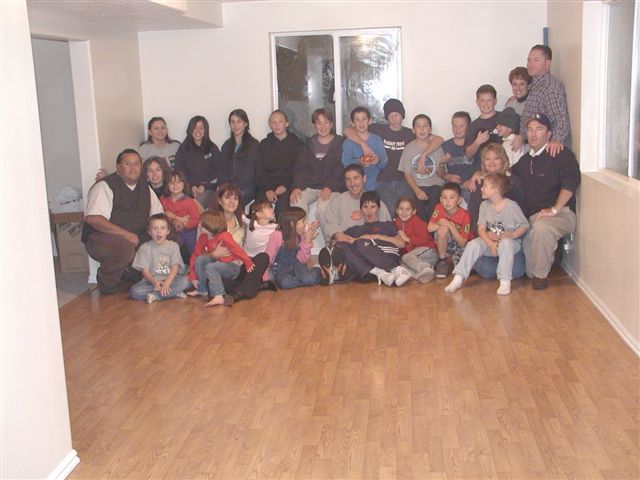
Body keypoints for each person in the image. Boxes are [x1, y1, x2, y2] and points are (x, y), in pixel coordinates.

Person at [510, 113, 580, 290]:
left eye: (539, 129)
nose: (533, 134)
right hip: (534, 217)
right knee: (529, 271)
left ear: (549, 134)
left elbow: (571, 182)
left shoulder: (560, 153)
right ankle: (545, 264)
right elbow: (506, 174)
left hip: (562, 213)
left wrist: (555, 209)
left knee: (542, 228)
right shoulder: (525, 161)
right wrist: (479, 174)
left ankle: (541, 278)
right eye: (530, 129)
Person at [82, 149, 164, 294]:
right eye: (127, 164)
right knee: (124, 247)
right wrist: (126, 235)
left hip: (137, 234)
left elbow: (158, 215)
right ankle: (106, 282)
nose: (133, 168)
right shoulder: (105, 186)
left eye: (137, 164)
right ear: (118, 167)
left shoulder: (145, 187)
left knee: (167, 234)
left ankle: (133, 276)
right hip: (101, 237)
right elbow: (94, 219)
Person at [343, 98, 443, 214]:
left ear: (402, 116)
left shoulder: (410, 133)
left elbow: (439, 139)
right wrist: (363, 144)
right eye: (391, 115)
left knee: (407, 210)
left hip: (404, 180)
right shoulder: (378, 129)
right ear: (386, 117)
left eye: (397, 114)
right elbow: (347, 131)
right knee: (389, 210)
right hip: (382, 180)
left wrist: (425, 154)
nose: (394, 117)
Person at [444, 173, 529, 296]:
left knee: (505, 243)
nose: (481, 189)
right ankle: (458, 278)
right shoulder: (484, 205)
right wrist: (490, 243)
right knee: (473, 244)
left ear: (495, 189)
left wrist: (513, 235)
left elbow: (524, 225)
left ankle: (505, 281)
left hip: (510, 243)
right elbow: (481, 229)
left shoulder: (511, 206)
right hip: (492, 242)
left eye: (485, 186)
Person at [318, 191, 411, 287]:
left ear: (378, 208)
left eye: (373, 207)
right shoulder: (354, 230)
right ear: (361, 210)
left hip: (387, 255)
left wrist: (374, 237)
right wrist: (338, 238)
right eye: (365, 207)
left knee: (360, 243)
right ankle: (379, 273)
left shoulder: (387, 225)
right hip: (367, 266)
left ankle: (395, 269)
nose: (369, 211)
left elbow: (401, 243)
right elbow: (336, 242)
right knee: (341, 245)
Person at [466, 143, 527, 280]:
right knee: (487, 271)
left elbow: (522, 214)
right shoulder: (479, 183)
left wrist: (509, 234)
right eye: (488, 159)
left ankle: (504, 268)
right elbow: (474, 215)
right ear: (483, 162)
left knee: (517, 272)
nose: (491, 162)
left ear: (503, 161)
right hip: (488, 240)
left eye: (496, 158)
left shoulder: (514, 182)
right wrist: (486, 234)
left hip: (510, 239)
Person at [208, 183, 273, 302]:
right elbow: (199, 253)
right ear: (219, 201)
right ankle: (253, 286)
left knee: (263, 257)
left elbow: (261, 226)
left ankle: (239, 293)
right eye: (227, 197)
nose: (232, 201)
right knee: (217, 282)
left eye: (235, 198)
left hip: (238, 268)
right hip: (218, 269)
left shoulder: (243, 223)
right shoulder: (209, 222)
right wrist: (213, 254)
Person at [290, 108, 345, 228]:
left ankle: (330, 239)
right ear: (314, 125)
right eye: (319, 123)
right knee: (296, 201)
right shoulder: (308, 144)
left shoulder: (340, 143)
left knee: (323, 208)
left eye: (326, 122)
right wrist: (297, 186)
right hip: (311, 187)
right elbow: (300, 168)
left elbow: (341, 170)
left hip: (332, 188)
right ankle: (303, 236)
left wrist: (330, 187)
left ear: (331, 124)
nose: (323, 126)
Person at [187, 210, 254, 307]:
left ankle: (219, 295)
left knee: (211, 267)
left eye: (202, 224)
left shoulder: (224, 236)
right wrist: (193, 276)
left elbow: (237, 249)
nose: (199, 225)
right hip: (218, 263)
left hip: (232, 266)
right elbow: (195, 255)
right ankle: (202, 289)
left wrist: (248, 262)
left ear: (210, 225)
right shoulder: (203, 237)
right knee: (200, 259)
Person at [514, 45, 572, 156]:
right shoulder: (536, 85)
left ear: (547, 63)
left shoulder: (550, 87)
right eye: (529, 60)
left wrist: (556, 141)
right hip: (532, 147)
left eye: (536, 60)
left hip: (545, 151)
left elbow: (560, 120)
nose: (531, 64)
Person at [322, 164, 392, 244]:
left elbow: (388, 230)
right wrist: (342, 237)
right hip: (345, 245)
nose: (352, 183)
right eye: (348, 179)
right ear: (345, 182)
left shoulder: (377, 203)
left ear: (364, 178)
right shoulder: (337, 202)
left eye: (356, 178)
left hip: (371, 246)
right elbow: (329, 229)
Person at [129, 214, 191, 303]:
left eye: (162, 228)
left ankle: (156, 296)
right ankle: (173, 292)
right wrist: (155, 282)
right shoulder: (144, 248)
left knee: (187, 281)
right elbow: (145, 271)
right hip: (151, 282)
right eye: (155, 228)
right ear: (149, 232)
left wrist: (167, 284)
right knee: (135, 291)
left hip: (171, 280)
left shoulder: (173, 246)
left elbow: (175, 268)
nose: (159, 232)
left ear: (168, 231)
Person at [255, 110, 304, 217]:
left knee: (281, 209)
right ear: (270, 125)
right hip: (268, 185)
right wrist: (268, 189)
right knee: (257, 209)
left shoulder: (297, 144)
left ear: (287, 123)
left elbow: (298, 170)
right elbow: (260, 170)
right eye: (273, 122)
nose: (277, 125)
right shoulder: (264, 144)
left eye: (280, 122)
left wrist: (285, 186)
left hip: (287, 185)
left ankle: (279, 229)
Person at [398, 114, 445, 221]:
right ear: (413, 130)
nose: (422, 129)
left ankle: (432, 228)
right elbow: (407, 174)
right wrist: (417, 190)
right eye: (418, 126)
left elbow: (441, 174)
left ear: (430, 129)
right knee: (418, 212)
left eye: (425, 126)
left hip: (435, 185)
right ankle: (423, 229)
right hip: (417, 185)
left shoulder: (437, 148)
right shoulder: (409, 148)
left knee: (434, 206)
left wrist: (442, 164)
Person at [264, 207, 321, 290]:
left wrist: (307, 241)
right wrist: (265, 277)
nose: (306, 223)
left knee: (309, 279)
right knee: (285, 283)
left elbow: (302, 260)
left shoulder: (300, 235)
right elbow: (268, 257)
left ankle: (317, 270)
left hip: (297, 265)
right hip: (281, 269)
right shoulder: (277, 235)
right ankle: (304, 281)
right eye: (303, 221)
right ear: (292, 224)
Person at [428, 182, 474, 279]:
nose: (447, 201)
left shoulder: (465, 215)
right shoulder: (439, 208)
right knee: (442, 229)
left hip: (461, 245)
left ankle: (455, 259)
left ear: (459, 200)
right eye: (444, 197)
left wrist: (450, 225)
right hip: (447, 243)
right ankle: (442, 261)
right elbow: (429, 228)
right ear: (440, 199)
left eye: (452, 197)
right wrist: (440, 222)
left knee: (462, 271)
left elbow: (463, 242)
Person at [174, 115, 220, 207]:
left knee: (199, 202)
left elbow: (218, 171)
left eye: (201, 128)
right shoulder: (183, 149)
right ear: (190, 130)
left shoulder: (213, 148)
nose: (198, 131)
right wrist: (191, 187)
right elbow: (179, 171)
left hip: (208, 190)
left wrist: (204, 186)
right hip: (187, 189)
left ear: (206, 130)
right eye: (194, 128)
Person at [217, 109, 259, 206]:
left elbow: (249, 171)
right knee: (216, 202)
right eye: (232, 122)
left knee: (232, 203)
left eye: (239, 121)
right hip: (228, 187)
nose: (235, 125)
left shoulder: (253, 144)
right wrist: (224, 187)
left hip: (246, 187)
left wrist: (234, 189)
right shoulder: (226, 145)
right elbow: (221, 170)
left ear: (245, 124)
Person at [341, 106, 388, 192]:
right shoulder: (348, 142)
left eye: (364, 119)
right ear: (352, 123)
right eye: (357, 120)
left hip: (373, 186)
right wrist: (358, 162)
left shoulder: (376, 139)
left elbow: (384, 162)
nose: (361, 123)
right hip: (354, 187)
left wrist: (377, 160)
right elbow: (345, 163)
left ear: (369, 121)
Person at [394, 196, 438, 283]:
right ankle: (422, 275)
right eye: (401, 209)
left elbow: (424, 239)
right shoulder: (396, 223)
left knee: (406, 257)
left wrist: (407, 239)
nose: (404, 212)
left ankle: (426, 268)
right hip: (415, 257)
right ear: (397, 210)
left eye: (408, 209)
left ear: (414, 211)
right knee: (401, 265)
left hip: (429, 251)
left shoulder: (418, 222)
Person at [160, 170, 201, 262]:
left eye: (178, 182)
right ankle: (165, 266)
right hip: (170, 230)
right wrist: (174, 218)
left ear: (184, 184)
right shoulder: (164, 200)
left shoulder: (189, 202)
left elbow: (196, 220)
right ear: (167, 185)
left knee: (192, 242)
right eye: (172, 183)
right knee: (165, 246)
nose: (175, 185)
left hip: (188, 230)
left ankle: (194, 264)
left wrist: (185, 224)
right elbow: (161, 215)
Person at [464, 85, 502, 176]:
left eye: (489, 100)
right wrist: (477, 142)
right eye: (482, 101)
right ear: (477, 102)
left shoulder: (504, 118)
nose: (486, 104)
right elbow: (468, 154)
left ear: (495, 101)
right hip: (482, 172)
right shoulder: (473, 126)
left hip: (503, 169)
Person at [440, 111, 475, 194]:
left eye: (461, 126)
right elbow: (439, 172)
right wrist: (447, 176)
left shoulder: (474, 145)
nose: (457, 129)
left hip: (471, 185)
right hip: (452, 187)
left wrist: (473, 180)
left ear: (468, 127)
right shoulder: (445, 146)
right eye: (454, 126)